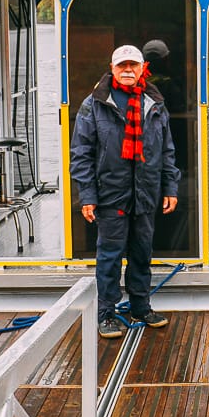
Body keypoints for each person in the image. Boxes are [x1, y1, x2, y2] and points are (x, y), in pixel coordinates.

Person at [70, 44, 180, 338]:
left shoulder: (154, 102)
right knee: (109, 255)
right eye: (122, 66)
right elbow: (81, 154)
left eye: (134, 65)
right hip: (110, 194)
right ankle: (106, 313)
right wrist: (88, 196)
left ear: (143, 68)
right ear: (113, 68)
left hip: (145, 192)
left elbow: (166, 150)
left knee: (142, 252)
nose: (128, 70)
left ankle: (140, 306)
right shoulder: (94, 104)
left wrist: (170, 187)